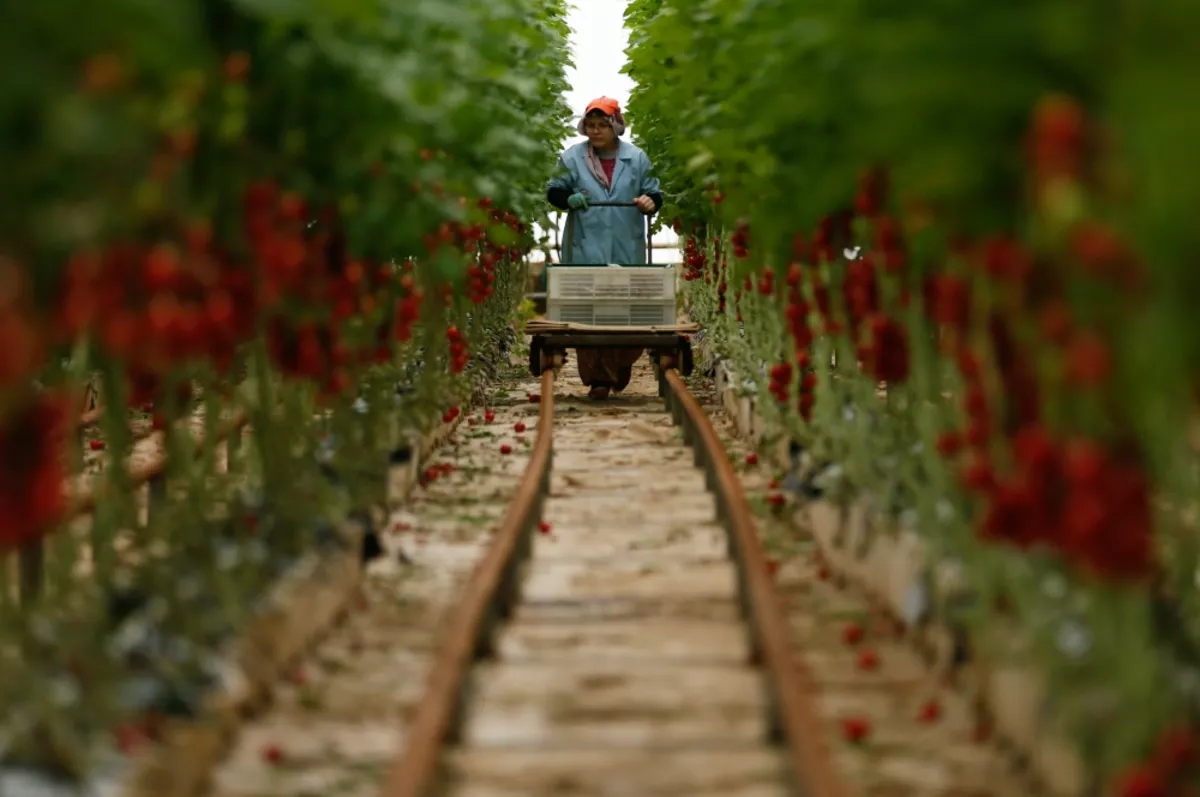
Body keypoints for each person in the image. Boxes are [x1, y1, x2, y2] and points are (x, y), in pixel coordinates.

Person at [546, 97, 664, 400]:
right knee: (590, 311)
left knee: (622, 310)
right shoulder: (572, 158)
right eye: (591, 126)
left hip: (626, 243)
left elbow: (652, 191)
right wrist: (567, 198)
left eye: (602, 126)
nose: (596, 131)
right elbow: (555, 191)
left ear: (616, 127)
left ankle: (616, 369)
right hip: (586, 243)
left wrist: (649, 202)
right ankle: (598, 378)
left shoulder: (636, 159)